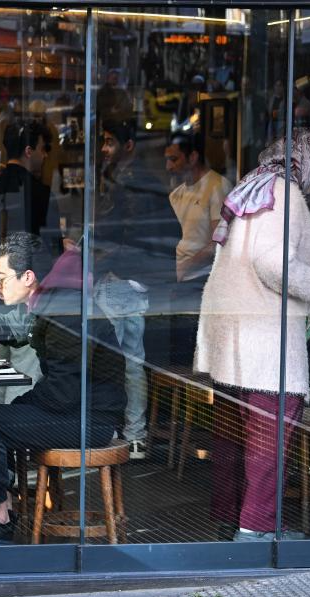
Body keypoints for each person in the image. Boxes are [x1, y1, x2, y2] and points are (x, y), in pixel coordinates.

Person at [194, 128, 310, 542]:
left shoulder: (252, 186)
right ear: (308, 160)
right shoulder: (286, 195)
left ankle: (231, 517)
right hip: (264, 338)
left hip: (230, 333)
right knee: (269, 437)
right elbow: (274, 266)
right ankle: (256, 528)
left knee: (233, 435)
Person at [0, 232, 125, 541]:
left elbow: (62, 395)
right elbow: (16, 325)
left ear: (27, 277)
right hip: (78, 410)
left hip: (92, 421)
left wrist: (21, 405)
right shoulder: (50, 299)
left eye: (1, 277)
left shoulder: (64, 311)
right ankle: (1, 507)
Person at [94, 118, 181, 457]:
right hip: (141, 281)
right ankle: (135, 435)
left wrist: (97, 266)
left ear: (128, 145)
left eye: (109, 141)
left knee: (109, 362)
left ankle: (110, 430)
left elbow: (118, 235)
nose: (104, 148)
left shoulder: (125, 181)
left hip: (121, 279)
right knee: (132, 361)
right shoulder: (146, 180)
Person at [164, 134, 233, 362]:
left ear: (193, 157)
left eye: (174, 159)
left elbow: (218, 242)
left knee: (197, 356)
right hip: (179, 281)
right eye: (167, 160)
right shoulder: (176, 194)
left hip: (202, 281)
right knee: (177, 354)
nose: (168, 166)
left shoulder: (217, 186)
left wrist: (185, 268)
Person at [0, 117, 54, 238]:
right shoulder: (42, 193)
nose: (45, 155)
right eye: (43, 149)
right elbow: (49, 242)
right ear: (29, 151)